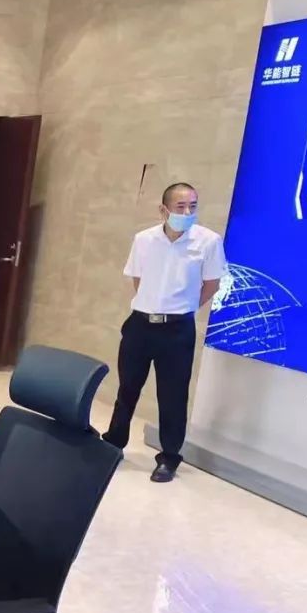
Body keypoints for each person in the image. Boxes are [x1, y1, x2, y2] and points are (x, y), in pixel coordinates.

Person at [102, 183, 227, 483]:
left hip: (177, 330)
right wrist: (152, 307)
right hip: (140, 325)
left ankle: (169, 457)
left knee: (172, 395)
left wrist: (183, 308)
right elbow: (138, 279)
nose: (187, 212)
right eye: (181, 206)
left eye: (193, 206)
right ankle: (114, 443)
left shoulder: (208, 241)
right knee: (127, 387)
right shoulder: (144, 239)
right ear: (164, 210)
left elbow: (212, 284)